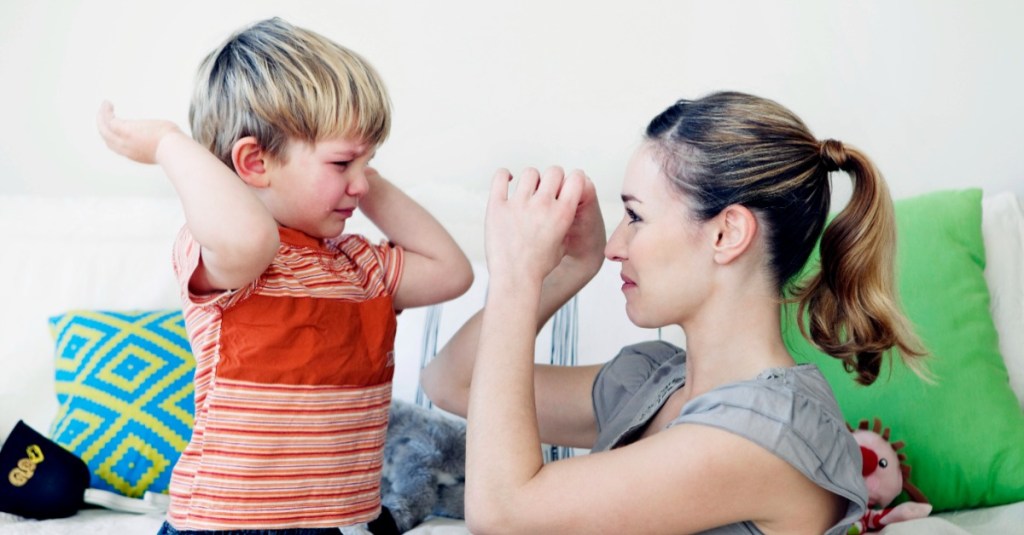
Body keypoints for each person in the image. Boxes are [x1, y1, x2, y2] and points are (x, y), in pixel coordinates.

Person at [420, 91, 926, 534]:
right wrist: (571, 268)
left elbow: (501, 511)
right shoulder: (657, 380)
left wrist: (515, 279)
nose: (616, 245)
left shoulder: (765, 435)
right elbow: (450, 382)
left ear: (727, 234)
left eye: (636, 216)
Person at [96, 17, 473, 534]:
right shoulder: (230, 255)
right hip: (223, 523)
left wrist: (364, 174)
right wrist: (168, 144)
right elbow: (252, 238)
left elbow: (452, 273)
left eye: (369, 163)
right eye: (341, 163)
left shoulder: (358, 265)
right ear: (254, 161)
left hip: (325, 523)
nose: (360, 184)